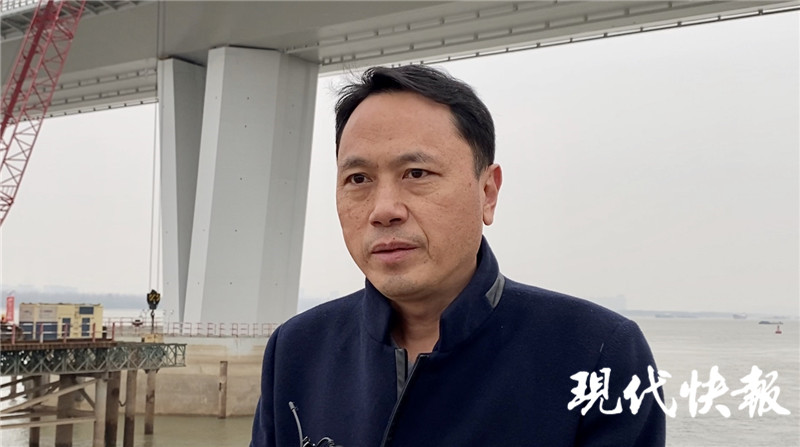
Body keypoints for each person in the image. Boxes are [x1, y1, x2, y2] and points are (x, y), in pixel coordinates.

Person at [251, 65, 665, 447]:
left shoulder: (597, 354)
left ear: (488, 192)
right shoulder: (297, 350)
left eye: (416, 174)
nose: (384, 210)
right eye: (358, 179)